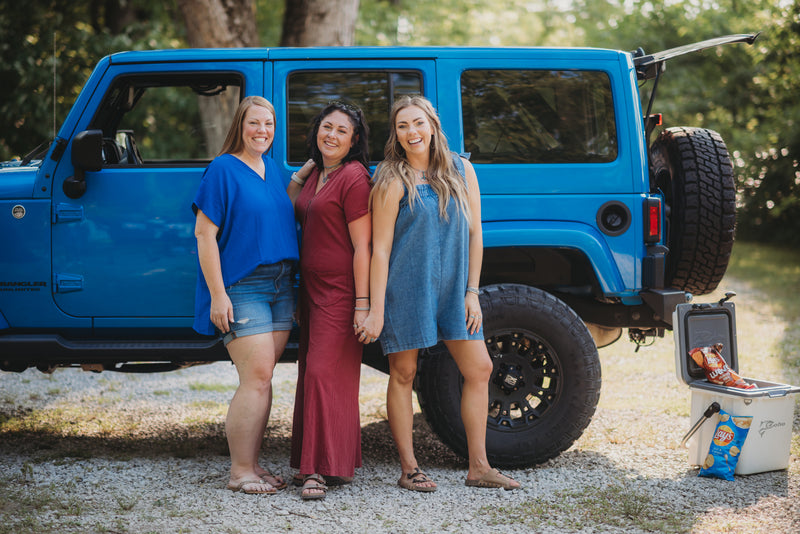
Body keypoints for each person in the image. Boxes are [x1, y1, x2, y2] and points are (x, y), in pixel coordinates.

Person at [360, 95, 520, 492]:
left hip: (454, 290)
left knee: (480, 369)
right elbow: (379, 250)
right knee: (404, 373)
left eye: (417, 123)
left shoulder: (462, 170)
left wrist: (472, 291)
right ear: (395, 135)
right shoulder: (391, 179)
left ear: (432, 125)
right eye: (402, 126)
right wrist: (376, 308)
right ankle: (409, 468)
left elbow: (475, 233)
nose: (411, 132)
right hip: (407, 288)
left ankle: (479, 467)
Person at [192, 96, 298, 495]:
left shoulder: (272, 169)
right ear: (241, 125)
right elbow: (205, 234)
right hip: (243, 286)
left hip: (281, 286)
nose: (262, 131)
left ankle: (253, 464)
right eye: (255, 123)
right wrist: (219, 296)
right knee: (255, 377)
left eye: (269, 125)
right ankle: (239, 472)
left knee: (264, 378)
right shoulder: (223, 169)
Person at [286, 101, 372, 500]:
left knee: (324, 372)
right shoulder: (319, 173)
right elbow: (290, 205)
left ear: (354, 141)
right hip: (311, 289)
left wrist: (363, 302)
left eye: (341, 131)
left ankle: (317, 471)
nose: (331, 135)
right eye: (326, 127)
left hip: (341, 291)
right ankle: (326, 463)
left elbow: (362, 246)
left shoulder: (354, 177)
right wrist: (305, 170)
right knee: (314, 373)